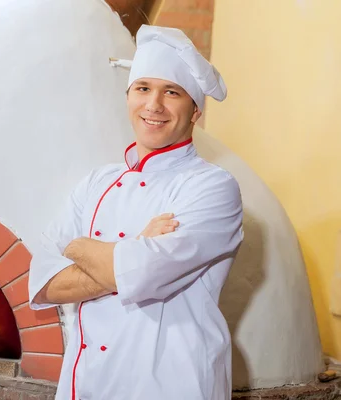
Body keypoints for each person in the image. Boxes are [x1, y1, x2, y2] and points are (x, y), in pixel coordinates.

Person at [28, 24, 244, 400]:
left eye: (171, 93)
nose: (153, 105)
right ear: (128, 97)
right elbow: (46, 285)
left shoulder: (212, 188)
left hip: (170, 383)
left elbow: (141, 275)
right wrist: (132, 248)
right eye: (143, 88)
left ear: (195, 111)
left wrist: (78, 248)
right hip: (89, 381)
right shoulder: (96, 182)